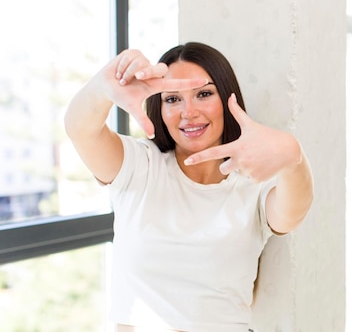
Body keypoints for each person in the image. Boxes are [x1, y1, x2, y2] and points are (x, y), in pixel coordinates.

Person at [64, 42, 314, 332]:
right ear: (159, 106)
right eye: (172, 99)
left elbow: (293, 213)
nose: (188, 111)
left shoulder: (252, 185)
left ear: (227, 99)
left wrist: (293, 156)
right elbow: (79, 128)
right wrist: (103, 86)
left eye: (204, 94)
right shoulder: (138, 166)